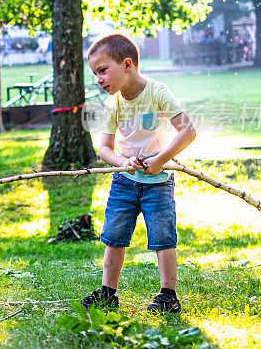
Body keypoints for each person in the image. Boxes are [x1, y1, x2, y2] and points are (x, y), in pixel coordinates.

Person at [81, 34, 196, 313]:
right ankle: (108, 292)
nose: (99, 78)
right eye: (95, 73)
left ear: (128, 64)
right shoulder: (112, 104)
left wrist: (160, 160)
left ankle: (168, 295)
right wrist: (122, 162)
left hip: (158, 181)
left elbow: (188, 131)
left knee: (162, 236)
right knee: (114, 235)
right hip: (125, 180)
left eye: (103, 70)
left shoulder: (157, 92)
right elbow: (104, 149)